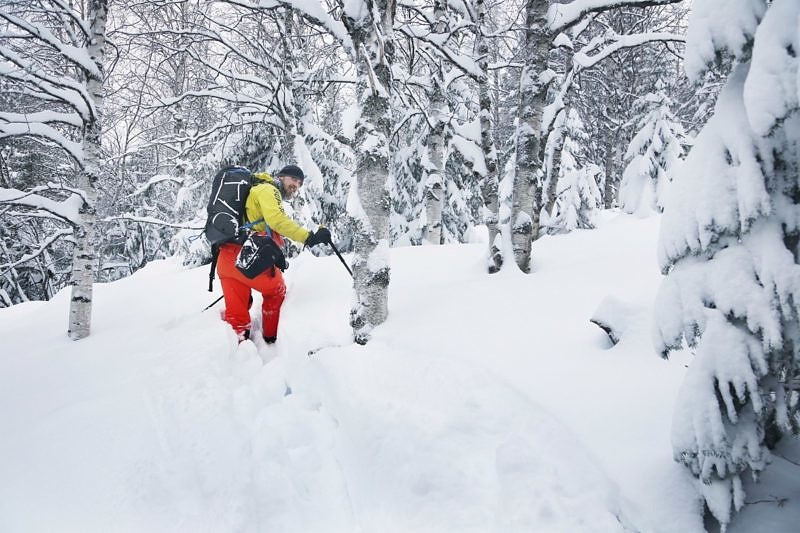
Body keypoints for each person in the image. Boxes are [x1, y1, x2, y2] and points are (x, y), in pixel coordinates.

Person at [216, 164, 331, 343]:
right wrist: (307, 237)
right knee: (276, 291)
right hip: (247, 258)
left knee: (237, 319)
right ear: (281, 176)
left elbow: (263, 225)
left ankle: (236, 356)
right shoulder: (269, 189)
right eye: (293, 179)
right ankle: (270, 339)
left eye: (300, 183)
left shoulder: (255, 190)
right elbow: (276, 220)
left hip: (226, 259)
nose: (296, 185)